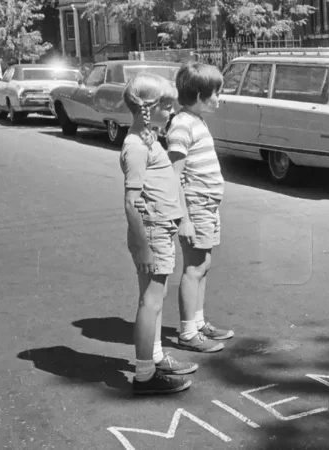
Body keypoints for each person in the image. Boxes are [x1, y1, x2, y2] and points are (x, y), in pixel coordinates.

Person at [120, 72, 197, 394]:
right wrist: (143, 247)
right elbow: (131, 202)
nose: (172, 112)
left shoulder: (149, 139)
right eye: (166, 107)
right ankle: (144, 376)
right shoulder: (136, 147)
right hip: (150, 233)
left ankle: (153, 358)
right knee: (150, 301)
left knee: (155, 298)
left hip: (160, 229)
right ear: (147, 108)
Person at [167, 62, 230, 353]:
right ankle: (187, 332)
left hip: (208, 205)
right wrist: (184, 220)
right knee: (193, 268)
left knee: (203, 265)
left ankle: (199, 322)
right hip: (195, 207)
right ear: (198, 95)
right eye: (215, 93)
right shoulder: (182, 126)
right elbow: (175, 176)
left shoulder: (196, 120)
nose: (219, 98)